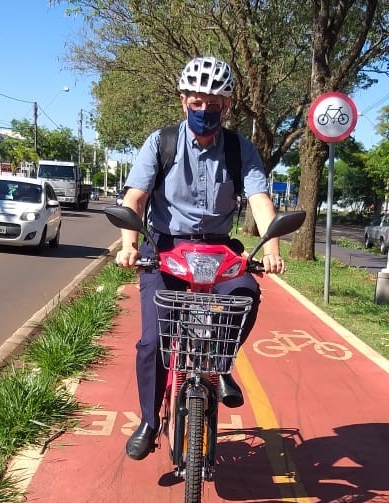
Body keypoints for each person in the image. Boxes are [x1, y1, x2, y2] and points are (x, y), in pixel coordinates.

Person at [114, 56, 286, 461]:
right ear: (182, 100)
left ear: (227, 106)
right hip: (166, 248)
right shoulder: (161, 143)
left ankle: (220, 364)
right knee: (153, 340)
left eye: (214, 102)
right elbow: (135, 198)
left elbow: (260, 199)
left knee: (245, 295)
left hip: (218, 248)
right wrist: (129, 245)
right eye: (196, 100)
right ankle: (149, 420)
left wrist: (273, 249)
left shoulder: (240, 149)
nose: (204, 109)